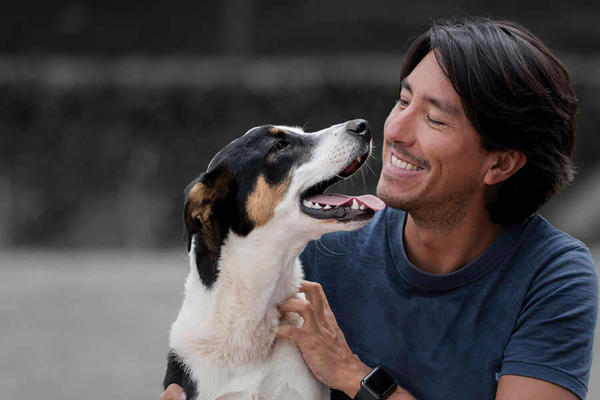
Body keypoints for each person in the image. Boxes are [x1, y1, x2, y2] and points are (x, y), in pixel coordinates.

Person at [161, 18, 597, 400]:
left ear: (500, 163)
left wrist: (352, 374)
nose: (396, 130)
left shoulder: (552, 275)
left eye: (435, 119)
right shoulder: (311, 246)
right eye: (403, 101)